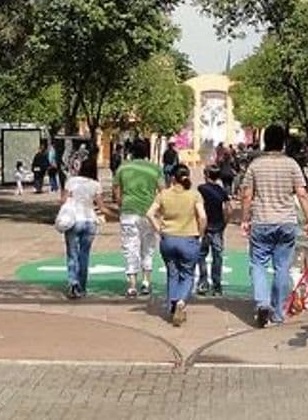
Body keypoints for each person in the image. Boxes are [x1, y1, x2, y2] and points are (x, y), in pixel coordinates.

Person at [240, 124, 308, 327]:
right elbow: (302, 194)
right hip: (287, 222)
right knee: (282, 267)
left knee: (258, 264)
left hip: (262, 220)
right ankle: (278, 311)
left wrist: (245, 219)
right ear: (283, 142)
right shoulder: (292, 165)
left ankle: (262, 303)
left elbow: (247, 194)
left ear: (265, 142)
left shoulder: (255, 165)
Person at [146, 163, 206, 326]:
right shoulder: (194, 195)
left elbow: (150, 213)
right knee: (187, 274)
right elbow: (202, 216)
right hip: (188, 238)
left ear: (172, 178)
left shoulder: (164, 194)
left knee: (172, 273)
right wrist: (200, 234)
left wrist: (159, 229)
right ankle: (180, 302)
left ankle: (172, 304)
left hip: (168, 239)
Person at [112, 138, 164, 297]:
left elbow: (117, 192)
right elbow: (162, 191)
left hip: (129, 212)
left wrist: (122, 206)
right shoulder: (155, 169)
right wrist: (159, 211)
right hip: (148, 213)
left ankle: (132, 285)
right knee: (148, 248)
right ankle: (146, 281)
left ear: (132, 152)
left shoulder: (123, 168)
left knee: (130, 248)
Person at [60, 155, 108, 299]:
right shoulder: (96, 185)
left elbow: (63, 200)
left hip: (73, 220)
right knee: (84, 255)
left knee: (72, 253)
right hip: (89, 221)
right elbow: (101, 207)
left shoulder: (71, 181)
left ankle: (73, 283)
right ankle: (82, 286)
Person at [196, 165, 231, 295]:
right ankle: (217, 285)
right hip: (218, 227)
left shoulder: (201, 189)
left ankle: (203, 282)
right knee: (218, 256)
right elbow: (229, 209)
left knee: (201, 255)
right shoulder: (222, 191)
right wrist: (225, 223)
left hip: (204, 227)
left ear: (206, 175)